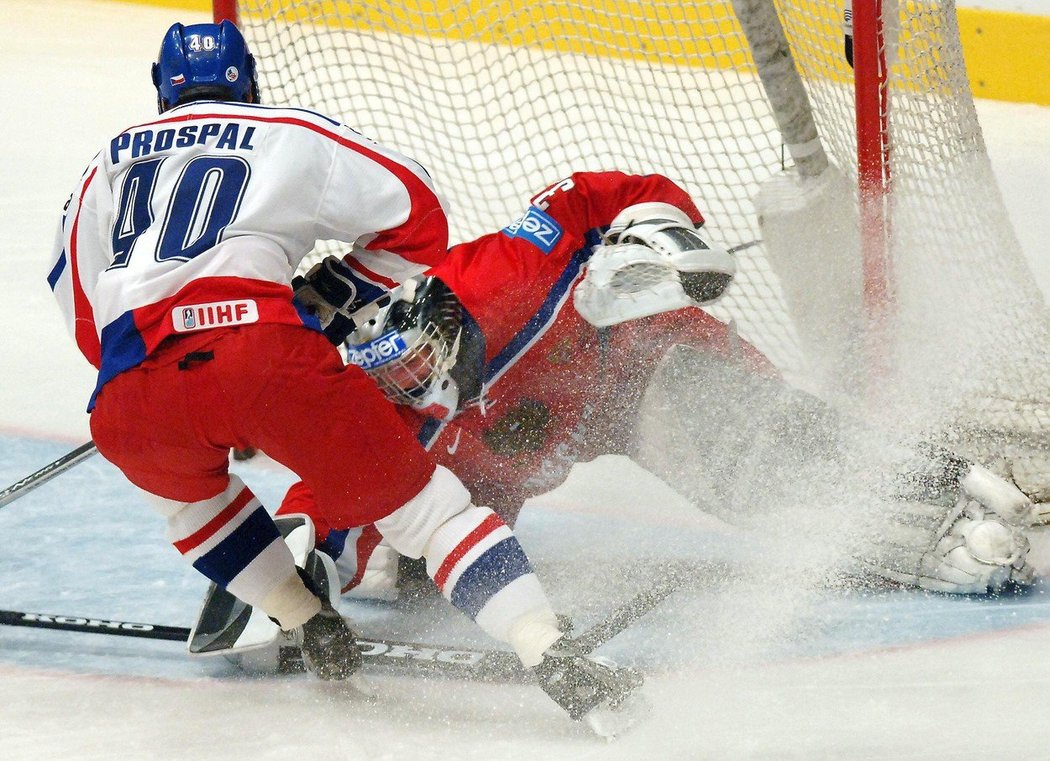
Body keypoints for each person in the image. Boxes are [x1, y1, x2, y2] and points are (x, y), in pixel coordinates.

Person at [46, 21, 643, 728]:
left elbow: (80, 308)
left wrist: (178, 386)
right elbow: (417, 212)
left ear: (159, 85)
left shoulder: (102, 164)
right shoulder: (283, 130)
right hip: (264, 355)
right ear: (249, 81)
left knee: (191, 504)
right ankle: (549, 648)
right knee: (430, 514)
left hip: (131, 387)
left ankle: (303, 615)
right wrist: (341, 288)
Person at [277, 170, 1037, 602]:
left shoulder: (506, 275)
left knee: (760, 454)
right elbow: (335, 489)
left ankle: (942, 493)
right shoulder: (397, 413)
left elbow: (599, 195)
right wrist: (301, 569)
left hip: (637, 378)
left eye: (414, 364)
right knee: (417, 578)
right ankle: (932, 543)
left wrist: (664, 225)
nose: (414, 384)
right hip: (566, 436)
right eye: (395, 378)